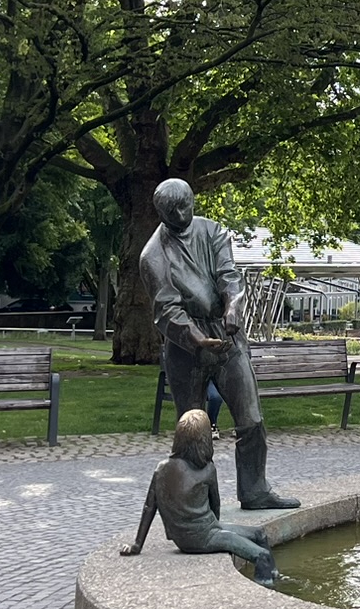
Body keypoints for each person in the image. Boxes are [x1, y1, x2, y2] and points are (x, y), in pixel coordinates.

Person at [140, 178, 298, 510]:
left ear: (193, 201)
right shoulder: (152, 255)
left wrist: (233, 309)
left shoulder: (212, 231)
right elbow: (166, 308)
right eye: (172, 210)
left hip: (227, 337)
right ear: (160, 212)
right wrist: (196, 338)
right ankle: (196, 502)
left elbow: (230, 275)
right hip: (186, 346)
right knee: (192, 431)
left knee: (251, 419)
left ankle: (255, 491)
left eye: (185, 205)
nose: (181, 214)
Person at [121, 410, 279, 585]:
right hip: (203, 537)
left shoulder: (162, 469)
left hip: (185, 537)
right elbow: (215, 506)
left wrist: (137, 544)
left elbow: (149, 507)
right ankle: (267, 586)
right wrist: (218, 534)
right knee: (261, 555)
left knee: (259, 533)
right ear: (205, 441)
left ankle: (273, 574)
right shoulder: (207, 469)